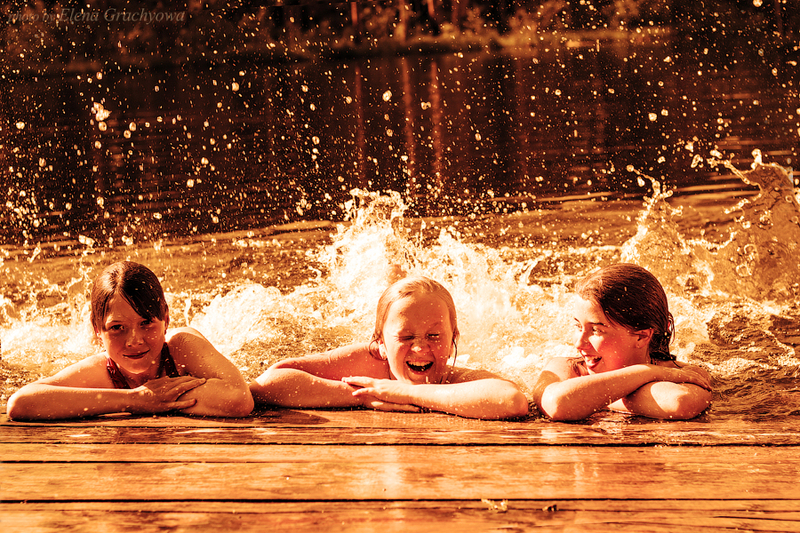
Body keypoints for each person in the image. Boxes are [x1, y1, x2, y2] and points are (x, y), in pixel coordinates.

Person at [250, 276, 529, 420]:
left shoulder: (454, 379)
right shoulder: (369, 362)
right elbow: (267, 383)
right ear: (381, 344)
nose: (420, 348)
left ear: (454, 337)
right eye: (406, 337)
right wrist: (363, 395)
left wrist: (406, 393)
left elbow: (512, 400)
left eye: (434, 336)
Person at [7, 261, 254, 421]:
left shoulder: (181, 347)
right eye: (117, 328)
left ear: (166, 319)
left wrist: (158, 400)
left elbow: (239, 398)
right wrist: (135, 400)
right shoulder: (104, 370)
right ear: (97, 328)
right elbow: (21, 402)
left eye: (146, 323)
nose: (134, 341)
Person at [534, 263, 712, 421]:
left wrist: (587, 398)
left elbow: (679, 402)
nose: (579, 344)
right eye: (578, 326)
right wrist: (648, 372)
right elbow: (556, 403)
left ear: (641, 336)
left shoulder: (686, 374)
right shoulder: (567, 367)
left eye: (596, 330)